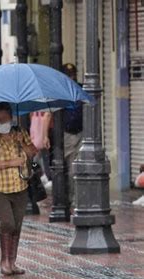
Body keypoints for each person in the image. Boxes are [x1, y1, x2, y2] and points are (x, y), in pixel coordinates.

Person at [0, 103, 37, 276]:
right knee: (8, 223)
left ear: (11, 118)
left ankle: (12, 262)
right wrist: (10, 163)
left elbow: (33, 152)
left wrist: (23, 144)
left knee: (17, 226)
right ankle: (4, 262)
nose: (2, 122)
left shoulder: (20, 134)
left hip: (20, 188)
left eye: (5, 119)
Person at [62, 63, 83, 206]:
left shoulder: (81, 89)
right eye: (69, 75)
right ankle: (72, 198)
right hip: (68, 134)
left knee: (80, 168)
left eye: (73, 74)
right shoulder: (61, 92)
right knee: (71, 170)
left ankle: (79, 198)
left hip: (82, 132)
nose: (72, 77)